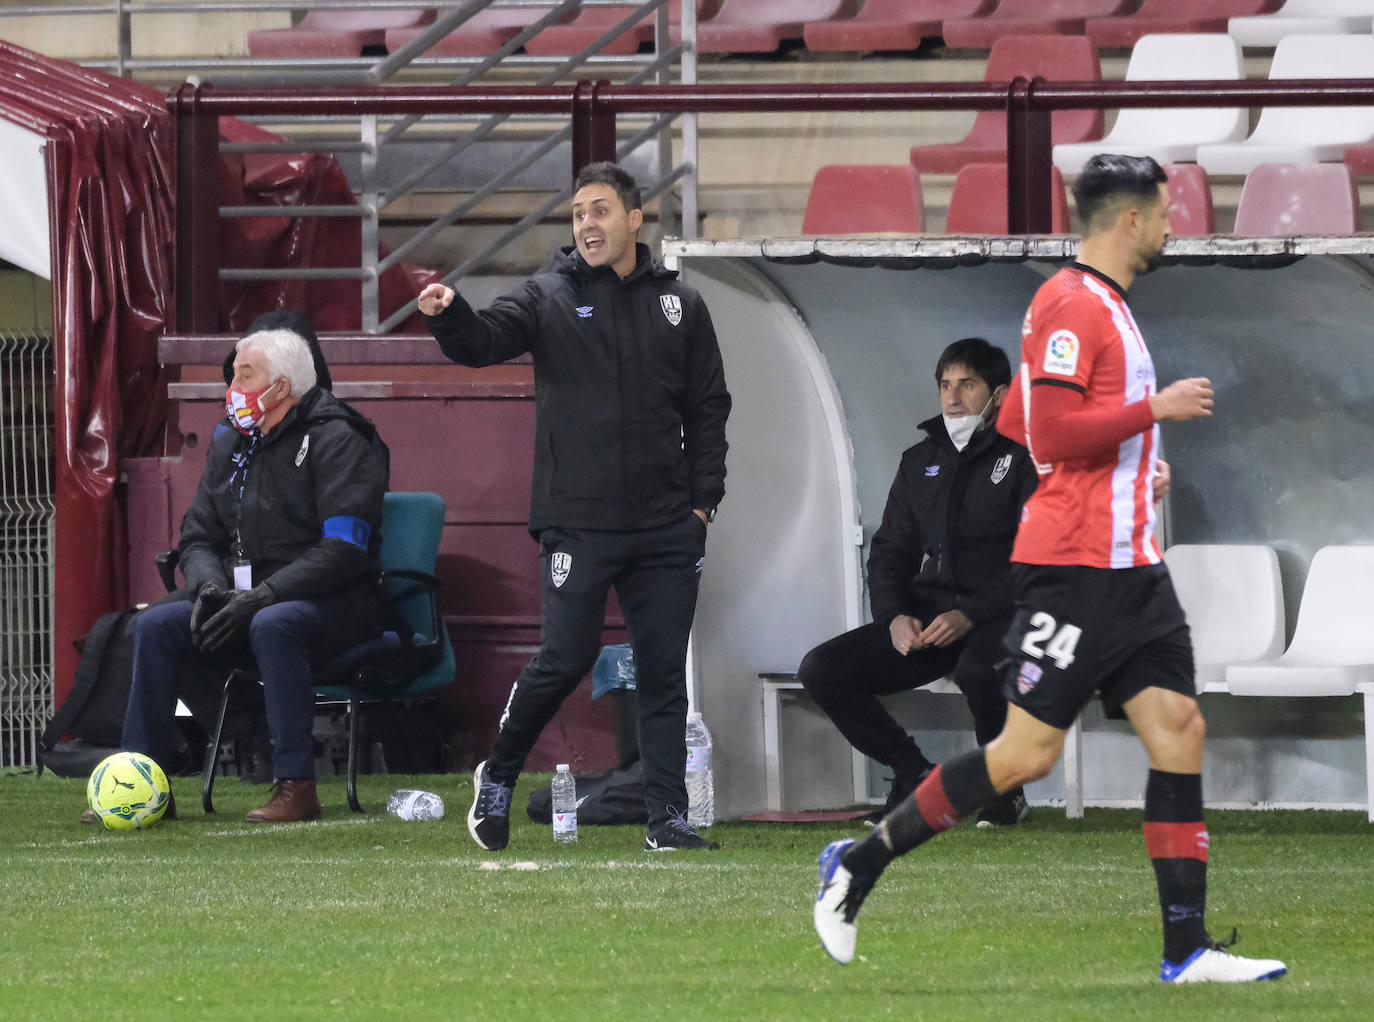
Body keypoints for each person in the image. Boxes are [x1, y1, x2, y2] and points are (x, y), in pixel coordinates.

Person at [812, 154, 1287, 983]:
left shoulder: (1105, 304)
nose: (1175, 225)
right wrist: (1156, 409)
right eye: (1166, 212)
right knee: (1024, 756)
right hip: (1076, 570)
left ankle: (1187, 950)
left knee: (1179, 730)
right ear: (1130, 220)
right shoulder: (1070, 302)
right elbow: (1057, 433)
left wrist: (1138, 465)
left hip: (1131, 565)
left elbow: (1031, 417)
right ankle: (858, 867)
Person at [418, 161, 731, 853]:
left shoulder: (681, 305)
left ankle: (666, 817)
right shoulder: (548, 296)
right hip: (578, 522)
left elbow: (709, 408)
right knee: (564, 658)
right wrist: (451, 314)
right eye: (578, 215)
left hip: (666, 525)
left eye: (599, 211)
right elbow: (486, 340)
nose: (587, 225)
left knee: (661, 672)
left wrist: (702, 506)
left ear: (633, 218)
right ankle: (497, 777)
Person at [81, 311, 390, 825]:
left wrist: (265, 594)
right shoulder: (230, 441)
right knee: (154, 623)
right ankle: (143, 782)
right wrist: (207, 587)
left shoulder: (341, 437)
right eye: (232, 375)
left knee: (275, 621)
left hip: (335, 601)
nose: (232, 385)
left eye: (244, 374)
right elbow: (198, 535)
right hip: (241, 595)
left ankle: (297, 783)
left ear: (282, 385)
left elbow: (344, 549)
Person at [798, 338, 1036, 826]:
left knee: (980, 671)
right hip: (930, 620)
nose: (952, 397)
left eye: (966, 385)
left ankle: (1003, 787)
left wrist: (971, 613)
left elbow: (1038, 562)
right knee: (822, 668)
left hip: (1002, 618)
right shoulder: (918, 463)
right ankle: (914, 773)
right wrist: (893, 617)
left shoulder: (1023, 463)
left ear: (1000, 394)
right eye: (945, 385)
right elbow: (889, 553)